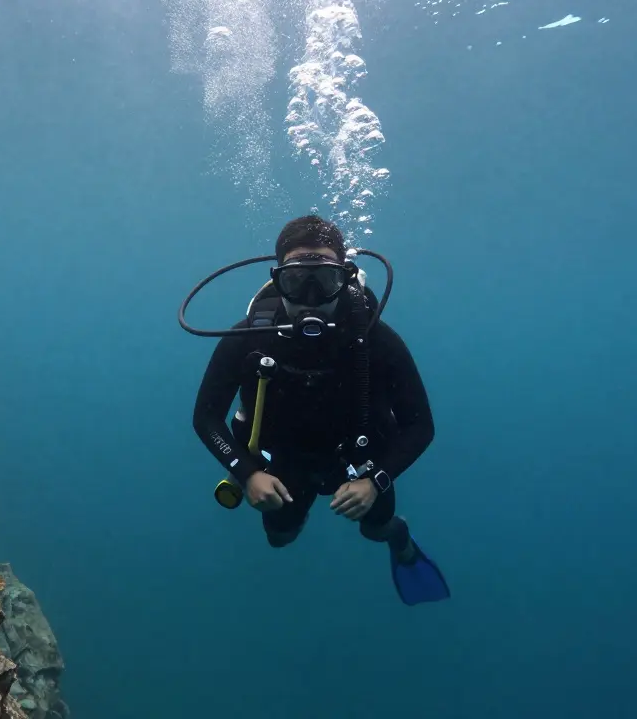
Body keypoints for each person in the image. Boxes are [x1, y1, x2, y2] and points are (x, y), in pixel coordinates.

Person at [189, 215, 450, 605]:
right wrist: (247, 474)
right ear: (278, 280)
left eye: (324, 280)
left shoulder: (375, 340)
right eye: (297, 280)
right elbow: (206, 417)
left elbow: (420, 426)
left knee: (377, 530)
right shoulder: (249, 337)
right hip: (282, 464)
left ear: (344, 278)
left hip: (363, 461)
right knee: (280, 538)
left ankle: (401, 540)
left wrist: (375, 481)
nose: (310, 296)